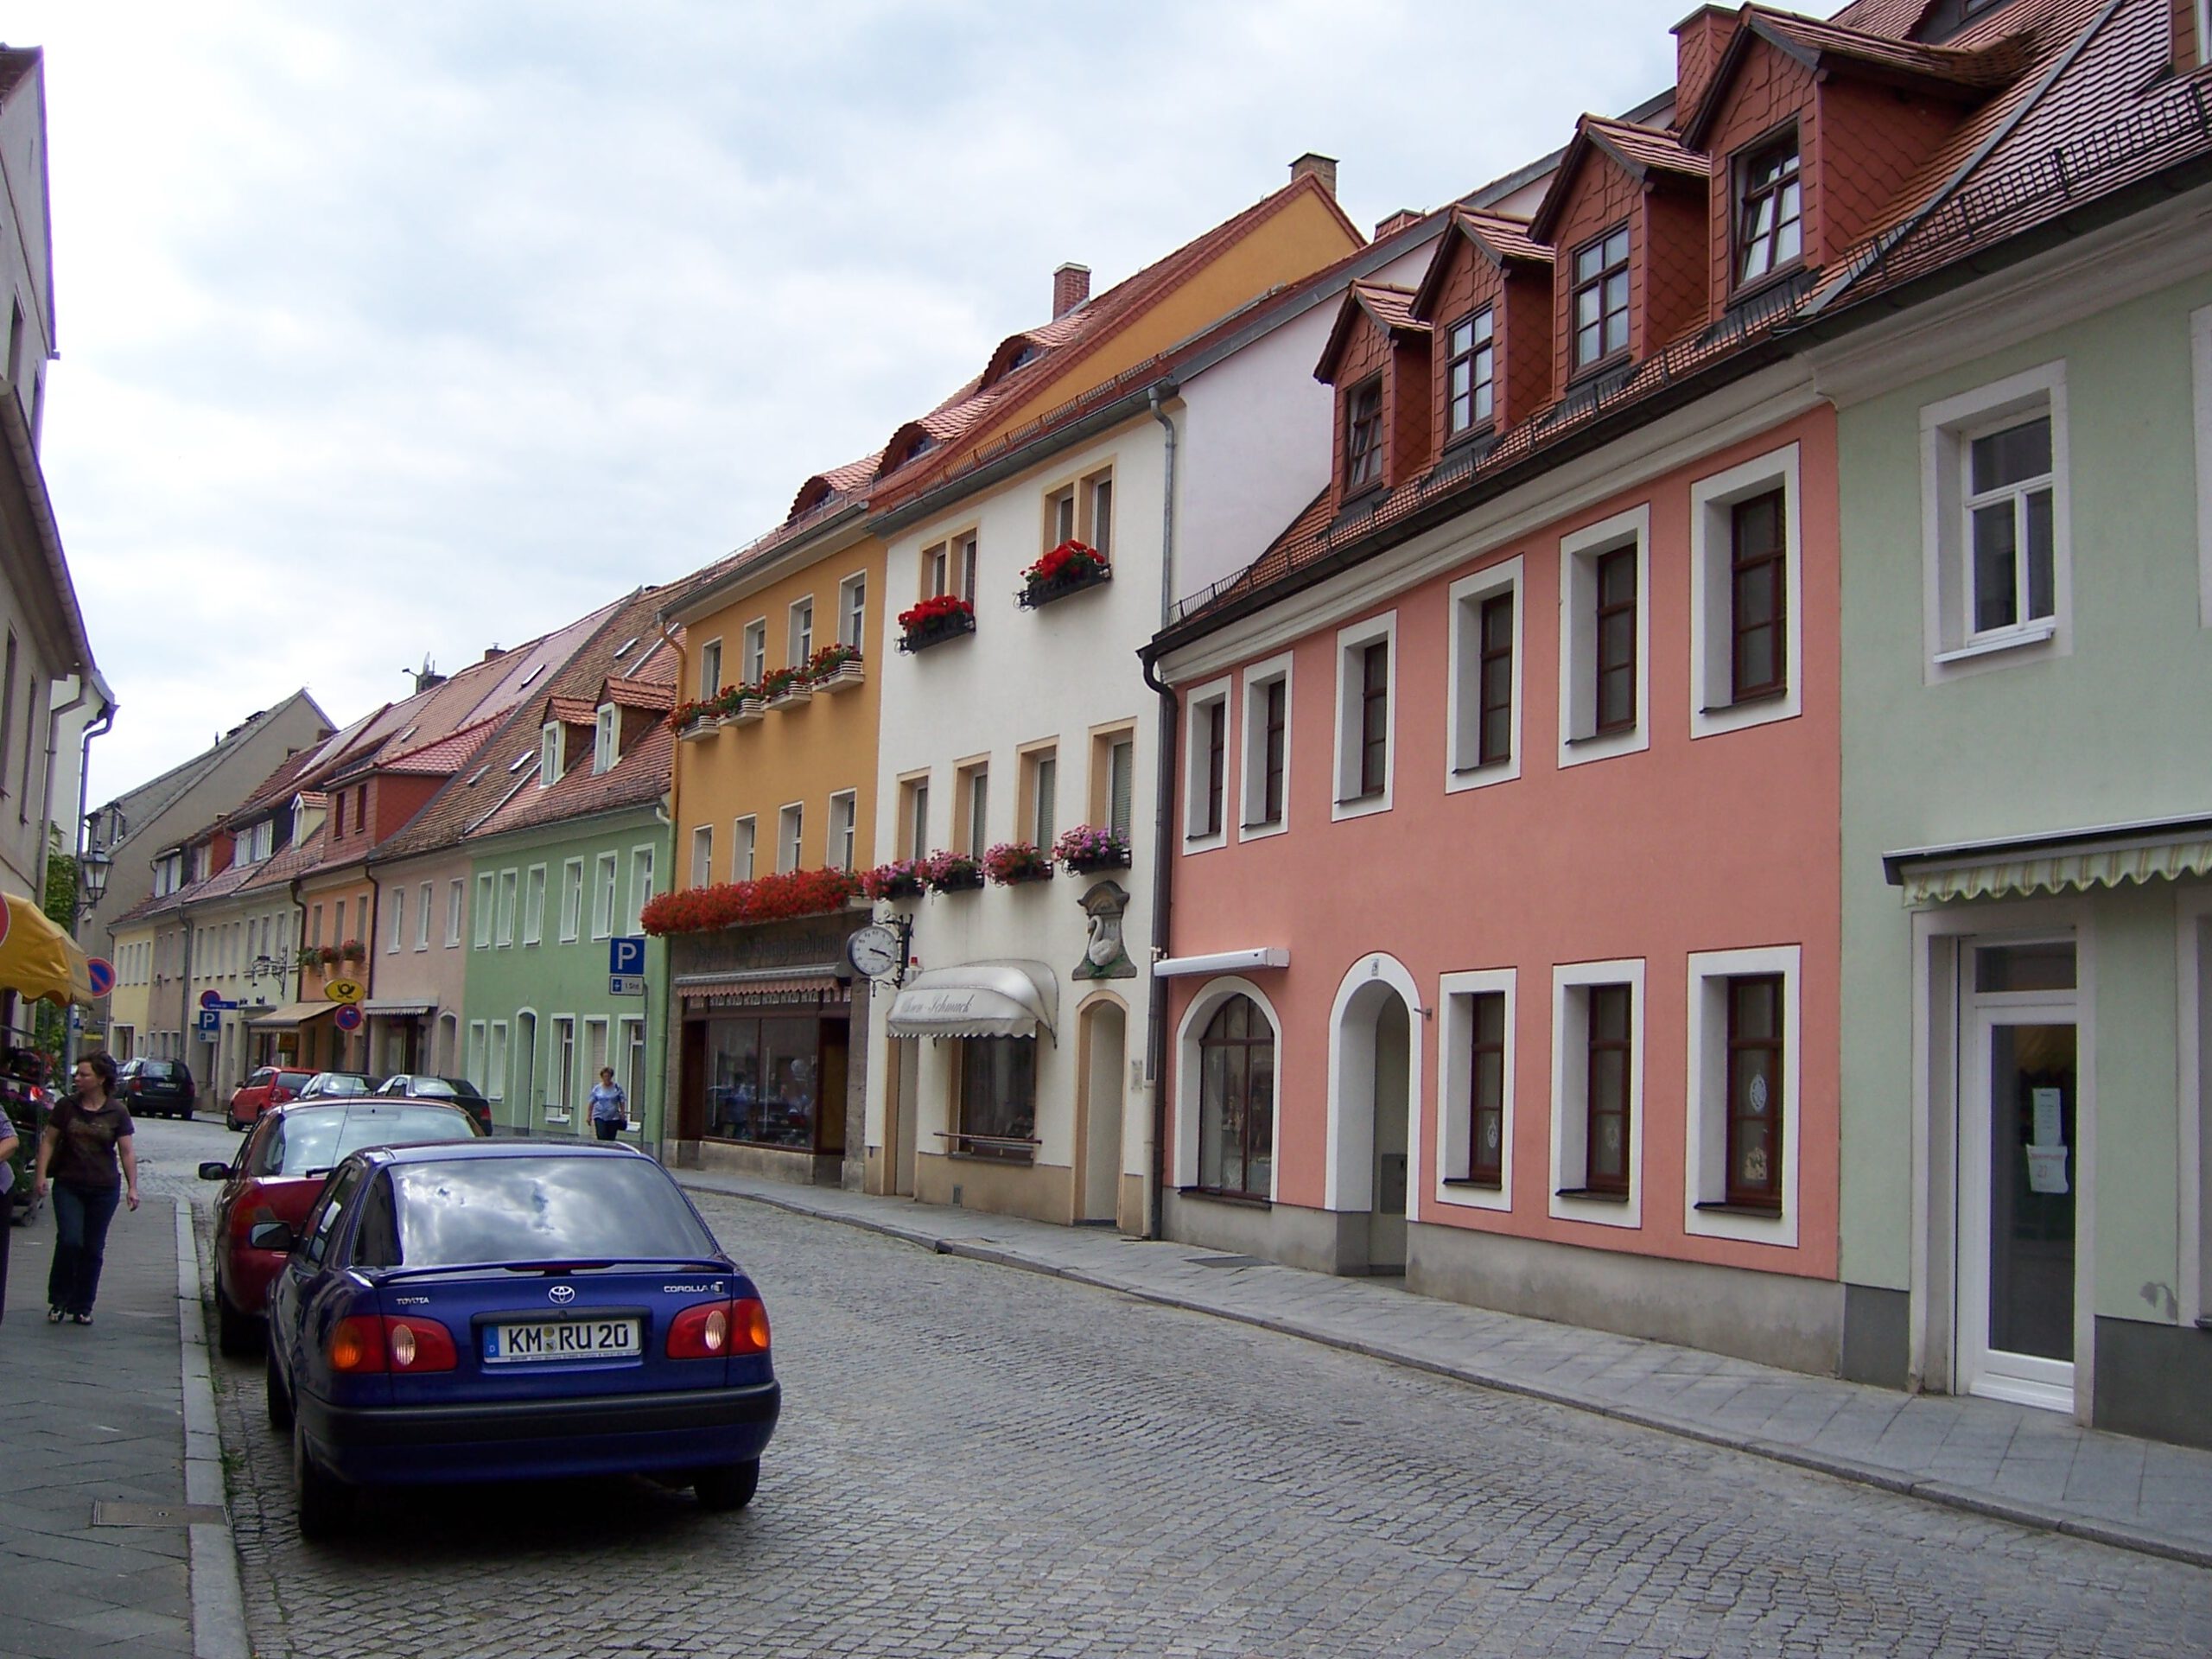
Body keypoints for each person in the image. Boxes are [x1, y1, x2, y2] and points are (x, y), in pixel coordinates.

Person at [33, 1053, 139, 1325]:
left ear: (101, 1079)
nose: (77, 1078)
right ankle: (59, 1299)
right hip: (69, 1184)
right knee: (69, 1241)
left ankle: (83, 1305)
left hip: (104, 1188)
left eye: (84, 1074)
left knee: (93, 1247)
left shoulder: (117, 1111)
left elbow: (126, 1151)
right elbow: (48, 1141)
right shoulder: (66, 1107)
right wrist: (41, 1175)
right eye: (77, 1074)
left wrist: (132, 1188)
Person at [587, 1065, 627, 1142]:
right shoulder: (597, 1088)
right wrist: (589, 1116)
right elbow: (591, 1102)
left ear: (611, 1077)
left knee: (611, 1138)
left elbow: (622, 1101)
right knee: (602, 1136)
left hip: (613, 1117)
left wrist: (622, 1113)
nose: (607, 1078)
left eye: (608, 1076)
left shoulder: (617, 1087)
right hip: (600, 1116)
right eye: (605, 1076)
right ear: (602, 1077)